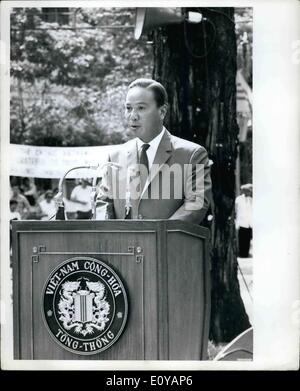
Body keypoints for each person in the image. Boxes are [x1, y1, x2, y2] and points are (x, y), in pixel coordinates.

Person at [98, 78, 212, 223]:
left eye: (141, 108)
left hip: (168, 243)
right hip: (121, 244)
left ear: (162, 111)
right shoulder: (114, 157)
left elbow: (195, 205)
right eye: (128, 108)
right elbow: (103, 204)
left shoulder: (192, 155)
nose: (133, 115)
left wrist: (158, 235)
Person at [235, 184, 253, 258]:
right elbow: (236, 210)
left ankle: (246, 253)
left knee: (248, 238)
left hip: (249, 222)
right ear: (244, 191)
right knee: (241, 238)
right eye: (248, 191)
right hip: (241, 222)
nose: (250, 192)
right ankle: (241, 253)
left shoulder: (251, 200)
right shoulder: (238, 199)